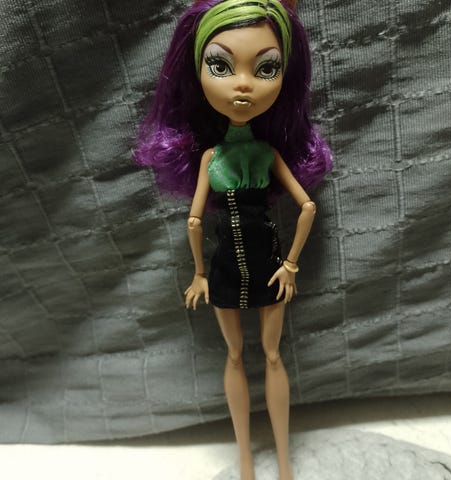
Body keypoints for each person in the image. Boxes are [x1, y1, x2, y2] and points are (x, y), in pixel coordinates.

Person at [134, 1, 332, 478]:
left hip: (268, 265)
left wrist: (291, 265)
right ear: (196, 71)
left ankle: (284, 461)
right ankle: (245, 459)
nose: (243, 85)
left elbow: (307, 206)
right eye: (221, 66)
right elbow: (194, 221)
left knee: (270, 355)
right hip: (226, 267)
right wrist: (200, 273)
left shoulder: (266, 154)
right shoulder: (211, 159)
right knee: (237, 355)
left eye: (265, 68)